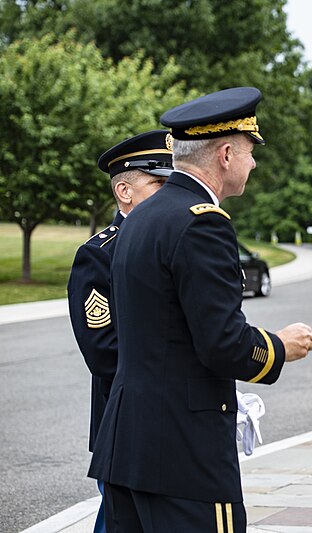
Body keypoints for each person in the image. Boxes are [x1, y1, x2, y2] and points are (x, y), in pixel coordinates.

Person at [88, 87, 312, 532]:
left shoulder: (140, 220)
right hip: (182, 453)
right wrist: (279, 346)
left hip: (126, 447)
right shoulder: (202, 222)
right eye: (251, 151)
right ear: (227, 154)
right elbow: (222, 343)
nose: (254, 163)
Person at [67, 129, 173, 533]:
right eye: (159, 183)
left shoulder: (173, 239)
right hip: (127, 419)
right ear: (125, 191)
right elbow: (103, 349)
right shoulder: (100, 254)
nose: (169, 192)